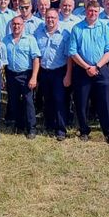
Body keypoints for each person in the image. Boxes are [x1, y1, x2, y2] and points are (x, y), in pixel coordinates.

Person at [68, 0, 109, 144]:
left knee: (105, 102)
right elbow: (72, 51)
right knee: (81, 103)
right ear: (86, 11)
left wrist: (97, 66)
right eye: (90, 11)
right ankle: (84, 130)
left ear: (98, 12)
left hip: (101, 69)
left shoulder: (104, 27)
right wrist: (87, 67)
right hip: (82, 71)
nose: (93, 14)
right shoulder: (77, 28)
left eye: (95, 11)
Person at [34, 9, 71, 141]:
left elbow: (68, 57)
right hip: (44, 71)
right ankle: (49, 124)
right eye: (48, 17)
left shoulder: (64, 34)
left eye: (53, 18)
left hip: (59, 71)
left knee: (59, 100)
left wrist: (68, 74)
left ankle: (61, 129)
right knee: (47, 99)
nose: (50, 20)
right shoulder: (38, 33)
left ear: (58, 19)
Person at [3, 16, 41, 139]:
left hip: (26, 74)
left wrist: (34, 77)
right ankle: (19, 124)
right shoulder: (5, 40)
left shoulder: (30, 39)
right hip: (10, 74)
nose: (16, 26)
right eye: (14, 24)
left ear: (23, 26)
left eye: (19, 24)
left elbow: (36, 59)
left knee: (28, 101)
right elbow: (2, 60)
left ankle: (31, 128)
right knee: (13, 100)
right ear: (10, 25)